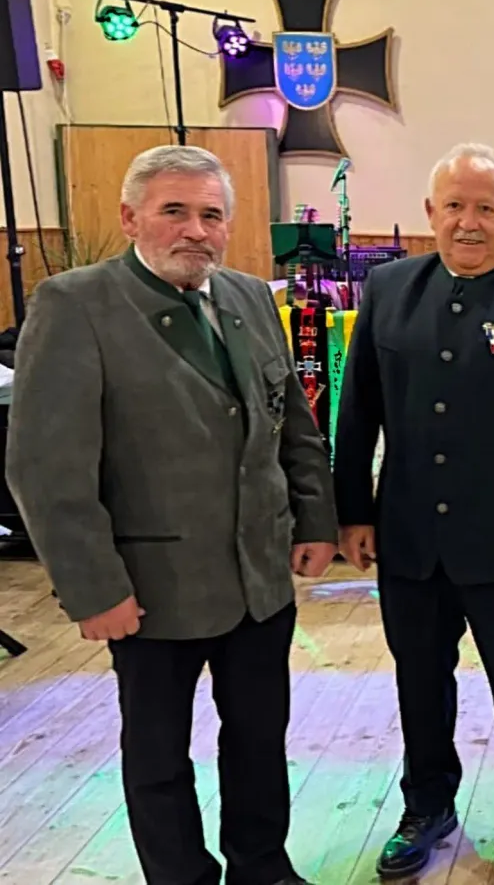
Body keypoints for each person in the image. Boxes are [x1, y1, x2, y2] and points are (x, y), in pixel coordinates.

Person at [5, 144, 338, 885]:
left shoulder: (252, 297)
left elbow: (293, 425)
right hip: (148, 591)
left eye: (212, 215)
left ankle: (262, 866)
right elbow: (46, 468)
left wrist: (314, 520)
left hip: (259, 581)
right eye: (175, 212)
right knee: (158, 756)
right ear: (130, 218)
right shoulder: (75, 305)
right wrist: (93, 589)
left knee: (259, 741)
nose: (196, 230)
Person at [333, 143, 494, 883]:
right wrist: (354, 511)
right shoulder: (387, 290)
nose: (469, 222)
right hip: (411, 537)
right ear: (430, 214)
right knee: (419, 678)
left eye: (486, 208)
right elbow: (359, 414)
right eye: (455, 205)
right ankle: (427, 806)